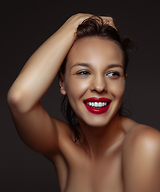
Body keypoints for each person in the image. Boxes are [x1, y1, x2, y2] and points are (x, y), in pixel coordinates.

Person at [7, 14, 160, 192]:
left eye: (112, 74)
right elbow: (20, 99)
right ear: (62, 82)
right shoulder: (62, 145)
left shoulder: (145, 145)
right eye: (83, 72)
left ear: (124, 81)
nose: (100, 86)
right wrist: (74, 24)